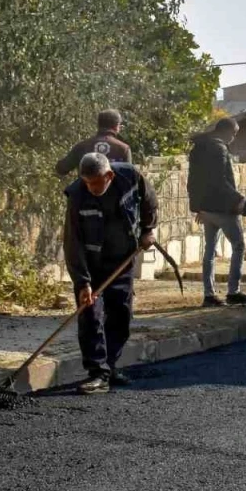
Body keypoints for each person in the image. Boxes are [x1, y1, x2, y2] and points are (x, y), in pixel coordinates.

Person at [63, 153, 157, 394]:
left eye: (96, 183)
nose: (91, 188)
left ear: (109, 176)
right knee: (91, 316)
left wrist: (148, 230)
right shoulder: (77, 196)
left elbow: (149, 201)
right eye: (87, 182)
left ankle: (110, 366)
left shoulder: (130, 177)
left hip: (122, 261)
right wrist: (83, 282)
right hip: (92, 266)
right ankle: (97, 372)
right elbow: (73, 242)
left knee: (121, 315)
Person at [188, 117, 246, 306]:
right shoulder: (219, 149)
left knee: (209, 250)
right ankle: (233, 291)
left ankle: (209, 294)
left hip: (205, 208)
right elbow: (220, 181)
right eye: (234, 133)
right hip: (222, 207)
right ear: (225, 131)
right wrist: (238, 198)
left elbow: (194, 180)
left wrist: (197, 206)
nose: (234, 137)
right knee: (239, 245)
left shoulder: (198, 148)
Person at [55, 109, 132, 175]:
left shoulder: (82, 146)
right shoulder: (123, 149)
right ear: (116, 126)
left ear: (98, 125)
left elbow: (62, 169)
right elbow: (129, 177)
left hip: (85, 191)